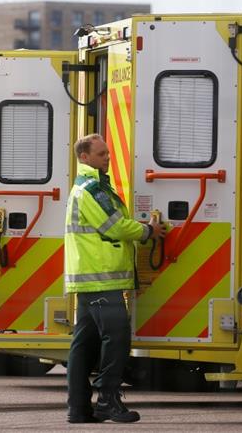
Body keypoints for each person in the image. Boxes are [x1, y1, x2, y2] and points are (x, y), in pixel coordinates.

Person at [64, 134, 164, 424]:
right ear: (84, 157)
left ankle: (78, 408)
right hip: (101, 279)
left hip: (90, 278)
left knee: (84, 344)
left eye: (107, 153)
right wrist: (148, 231)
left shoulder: (88, 187)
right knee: (118, 336)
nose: (107, 157)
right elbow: (115, 227)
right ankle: (107, 399)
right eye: (101, 154)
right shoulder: (92, 189)